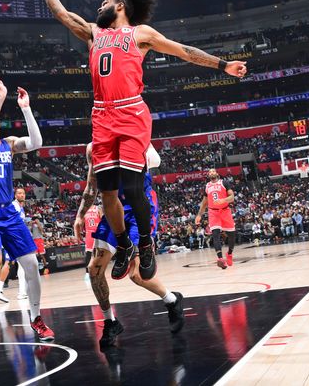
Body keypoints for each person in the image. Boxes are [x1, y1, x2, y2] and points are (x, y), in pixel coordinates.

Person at [32, 0, 246, 287]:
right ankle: (126, 245)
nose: (98, 8)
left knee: (132, 189)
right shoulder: (93, 33)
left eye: (105, 2)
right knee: (108, 196)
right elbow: (63, 15)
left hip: (131, 112)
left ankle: (145, 243)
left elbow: (183, 50)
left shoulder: (139, 34)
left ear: (120, 6)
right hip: (102, 116)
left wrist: (222, 64)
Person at [0, 74, 54, 360]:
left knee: (31, 264)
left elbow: (37, 142)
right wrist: (1, 95)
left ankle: (36, 318)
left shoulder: (8, 144)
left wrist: (26, 108)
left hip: (9, 212)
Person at [74, 143, 184, 347]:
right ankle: (110, 321)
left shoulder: (134, 136)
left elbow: (156, 160)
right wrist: (80, 215)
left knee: (136, 274)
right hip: (113, 207)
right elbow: (92, 186)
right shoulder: (93, 148)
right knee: (94, 270)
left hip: (139, 206)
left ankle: (172, 300)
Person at [195, 169, 236, 269]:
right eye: (210, 172)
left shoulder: (224, 182)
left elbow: (232, 197)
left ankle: (229, 253)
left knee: (232, 236)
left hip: (225, 211)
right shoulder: (207, 186)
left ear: (217, 174)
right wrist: (199, 215)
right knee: (215, 234)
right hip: (213, 212)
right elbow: (204, 203)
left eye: (213, 171)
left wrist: (223, 200)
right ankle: (220, 259)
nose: (212, 173)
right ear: (208, 175)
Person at [0, 187, 30, 303]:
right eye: (19, 193)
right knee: (8, 263)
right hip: (11, 238)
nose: (22, 195)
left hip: (18, 239)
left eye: (23, 193)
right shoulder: (13, 205)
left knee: (22, 265)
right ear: (15, 195)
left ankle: (22, 292)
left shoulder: (21, 208)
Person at [82, 200, 102, 283]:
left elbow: (81, 224)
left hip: (89, 234)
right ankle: (97, 272)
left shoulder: (83, 211)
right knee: (98, 253)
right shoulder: (98, 209)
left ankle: (87, 273)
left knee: (89, 254)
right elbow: (103, 219)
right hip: (97, 233)